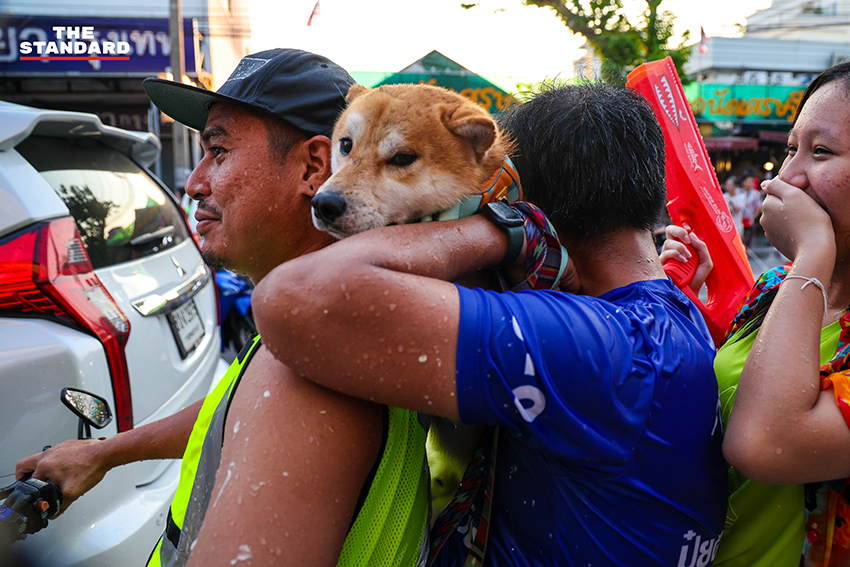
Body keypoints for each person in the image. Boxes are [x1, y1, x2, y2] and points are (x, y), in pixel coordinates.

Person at [252, 83, 727, 566]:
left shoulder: (593, 345)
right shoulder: (673, 314)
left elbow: (295, 297)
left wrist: (503, 229)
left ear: (522, 193)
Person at [14, 48, 431, 567]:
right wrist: (105, 452)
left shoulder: (313, 373)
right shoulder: (324, 320)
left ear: (313, 168)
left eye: (218, 151)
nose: (194, 183)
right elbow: (234, 409)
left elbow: (274, 406)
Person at [661, 60, 850, 567]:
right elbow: (731, 387)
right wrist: (691, 309)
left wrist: (812, 252)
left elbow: (761, 443)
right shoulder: (775, 285)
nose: (786, 177)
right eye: (791, 149)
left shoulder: (800, 273)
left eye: (822, 151)